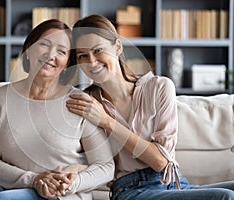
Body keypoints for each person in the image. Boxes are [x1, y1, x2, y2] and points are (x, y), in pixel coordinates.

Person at [66, 14, 234, 200]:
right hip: (130, 190)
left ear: (117, 47)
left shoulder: (158, 87)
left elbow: (161, 161)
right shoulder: (86, 102)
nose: (91, 61)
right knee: (225, 197)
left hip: (174, 183)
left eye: (98, 50)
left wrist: (107, 122)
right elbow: (80, 157)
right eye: (83, 55)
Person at [0, 19, 114, 200]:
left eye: (61, 51)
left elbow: (105, 166)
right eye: (44, 44)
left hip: (61, 193)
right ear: (29, 50)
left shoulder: (80, 101)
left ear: (66, 64)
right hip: (12, 184)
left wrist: (71, 183)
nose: (50, 55)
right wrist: (34, 179)